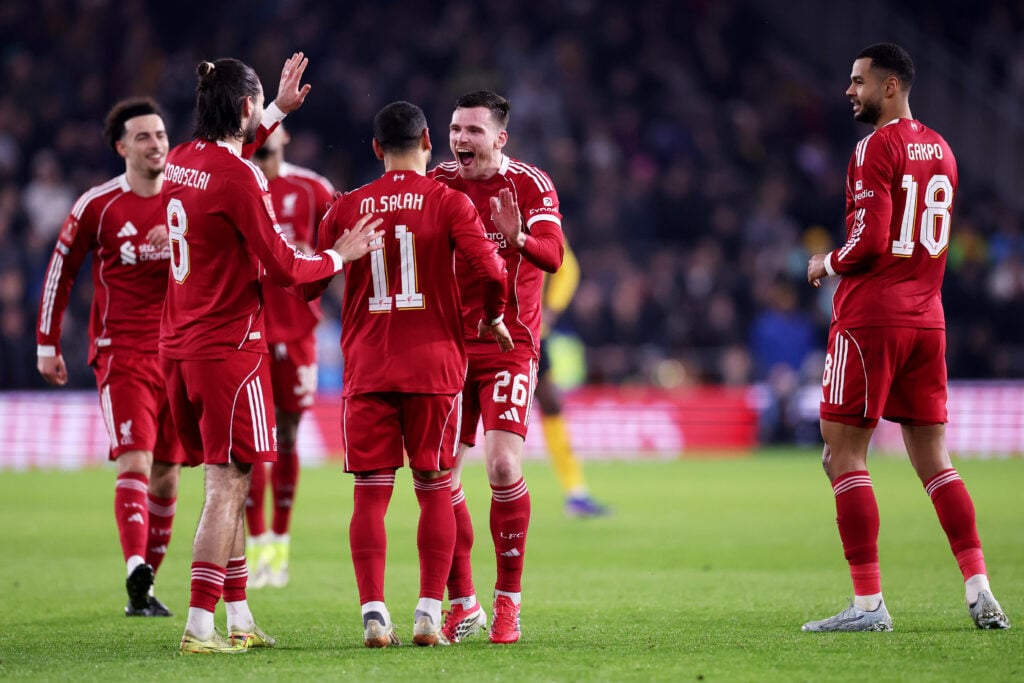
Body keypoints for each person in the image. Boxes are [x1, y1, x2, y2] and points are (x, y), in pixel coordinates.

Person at [162, 53, 383, 655]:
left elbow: (232, 152)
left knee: (223, 480)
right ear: (242, 108)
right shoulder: (243, 178)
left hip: (178, 346)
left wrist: (279, 106)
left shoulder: (183, 161)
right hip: (228, 347)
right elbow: (285, 266)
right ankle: (200, 626)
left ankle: (237, 618)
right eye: (257, 104)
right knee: (228, 488)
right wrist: (342, 255)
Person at [803, 43, 1010, 632]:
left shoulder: (875, 147)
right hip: (928, 317)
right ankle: (979, 589)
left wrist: (825, 261)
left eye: (859, 81)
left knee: (841, 455)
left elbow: (869, 244)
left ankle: (868, 605)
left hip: (872, 318)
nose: (849, 90)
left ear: (890, 86)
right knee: (934, 460)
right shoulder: (942, 148)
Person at [301, 100, 511, 648]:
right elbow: (492, 269)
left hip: (368, 366)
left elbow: (304, 285)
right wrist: (492, 315)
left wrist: (337, 259)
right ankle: (425, 614)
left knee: (370, 493)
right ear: (426, 143)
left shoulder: (346, 207)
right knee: (435, 488)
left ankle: (374, 615)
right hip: (435, 367)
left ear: (376, 149)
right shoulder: (450, 202)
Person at [36, 97, 184, 618]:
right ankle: (134, 563)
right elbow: (61, 270)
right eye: (143, 137)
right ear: (122, 147)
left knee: (168, 475)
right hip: (121, 352)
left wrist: (183, 237)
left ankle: (143, 588)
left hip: (180, 353)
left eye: (161, 134)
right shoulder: (98, 205)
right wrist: (47, 344)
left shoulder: (185, 199)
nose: (156, 144)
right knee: (136, 459)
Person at [429, 90, 564, 644]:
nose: (461, 139)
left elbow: (553, 256)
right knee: (439, 475)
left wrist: (516, 238)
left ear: (500, 138)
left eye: (474, 131)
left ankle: (507, 602)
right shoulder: (440, 181)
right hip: (448, 346)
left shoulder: (531, 184)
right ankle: (462, 603)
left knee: (503, 467)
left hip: (510, 342)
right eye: (456, 129)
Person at [246, 125, 336, 589]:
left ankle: (279, 544)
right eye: (255, 151)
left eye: (268, 151)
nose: (261, 159)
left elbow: (345, 245)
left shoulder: (312, 189)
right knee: (248, 444)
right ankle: (256, 543)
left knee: (286, 435)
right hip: (249, 328)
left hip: (297, 328)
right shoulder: (239, 185)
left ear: (285, 144)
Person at [537, 240, 609, 517]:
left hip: (527, 328)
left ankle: (576, 492)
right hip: (483, 325)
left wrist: (551, 310)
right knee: (464, 404)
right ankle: (438, 482)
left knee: (551, 403)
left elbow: (567, 267)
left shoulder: (532, 207)